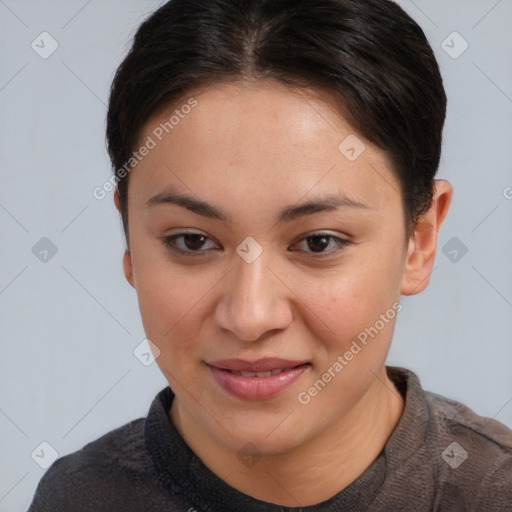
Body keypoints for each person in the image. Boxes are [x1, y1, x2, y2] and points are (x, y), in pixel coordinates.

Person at [28, 0, 512, 510]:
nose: (250, 317)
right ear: (129, 239)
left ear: (420, 239)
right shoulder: (77, 498)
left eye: (318, 241)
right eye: (192, 241)